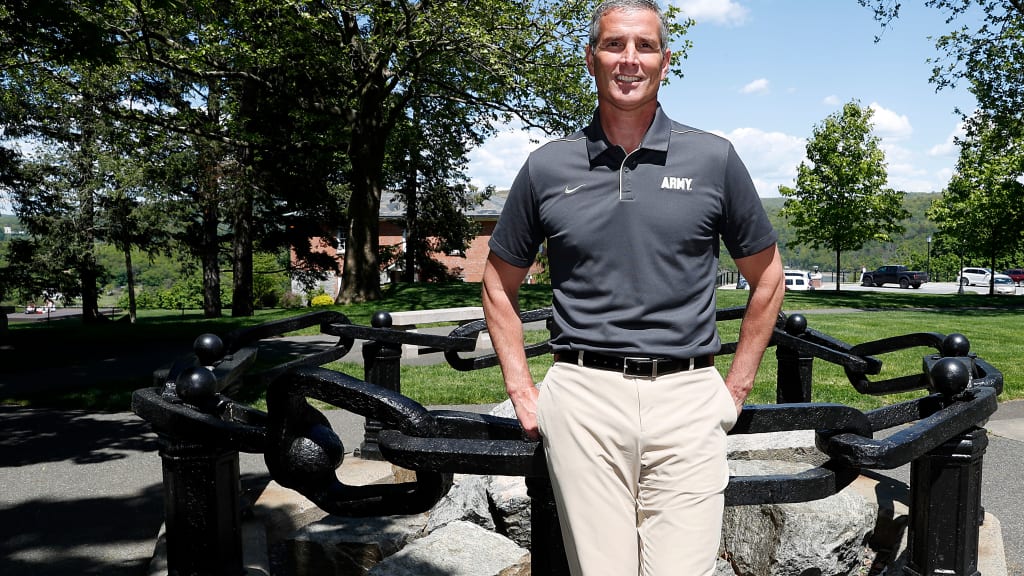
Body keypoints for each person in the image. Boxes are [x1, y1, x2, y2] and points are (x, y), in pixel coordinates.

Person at [481, 1, 785, 574]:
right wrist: (523, 391)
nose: (630, 59)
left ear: (665, 61)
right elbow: (498, 282)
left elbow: (768, 276)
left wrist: (736, 388)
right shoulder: (548, 167)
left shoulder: (713, 158)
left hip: (689, 399)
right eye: (615, 45)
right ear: (592, 58)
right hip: (584, 398)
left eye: (645, 46)